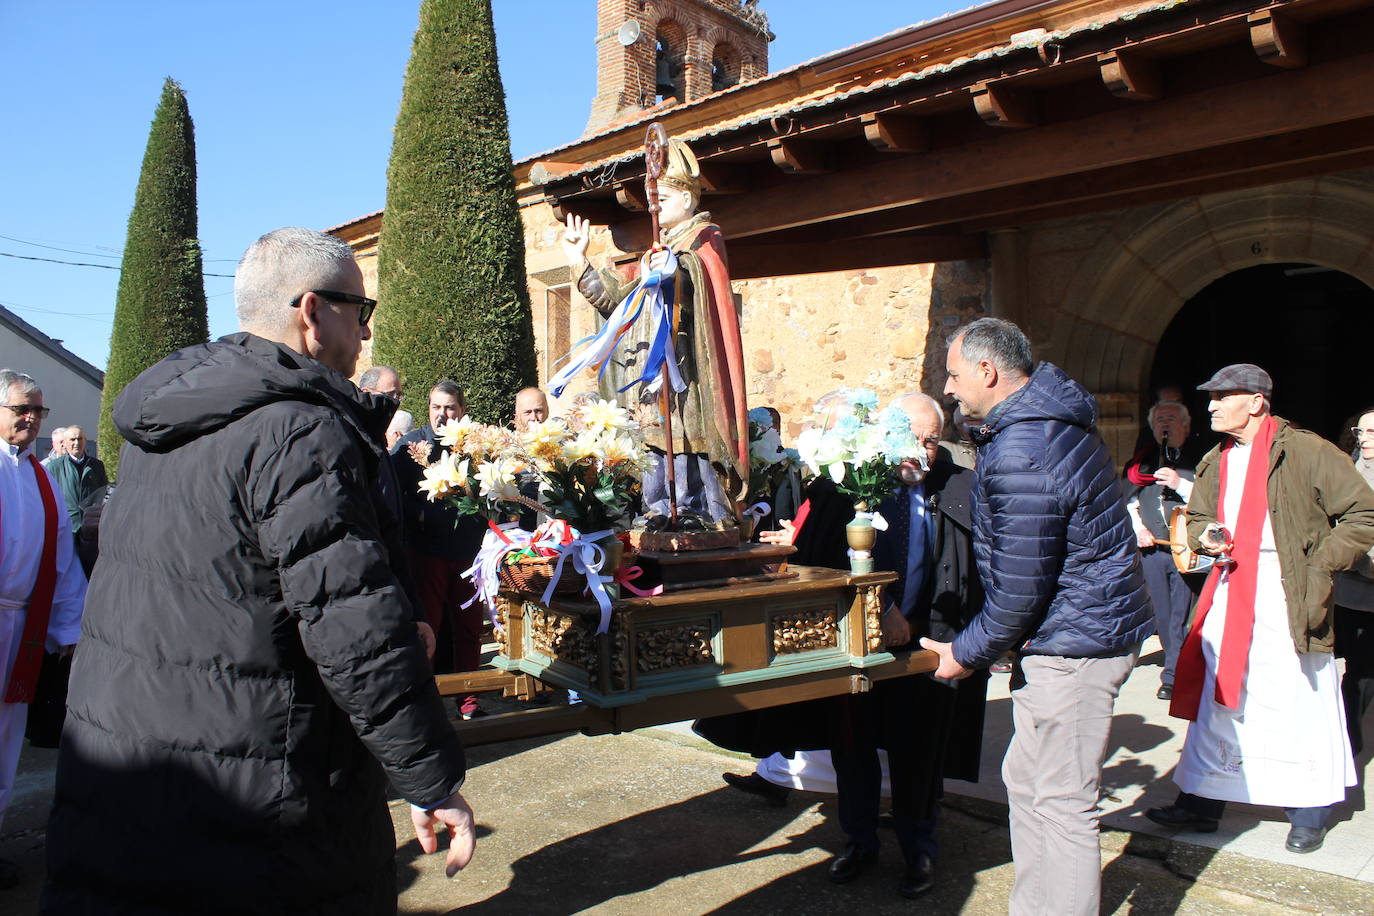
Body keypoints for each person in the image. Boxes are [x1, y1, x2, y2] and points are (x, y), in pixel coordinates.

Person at [43, 227, 473, 913]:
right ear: (312, 311)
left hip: (135, 771)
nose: (365, 335)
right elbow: (354, 631)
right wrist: (429, 777)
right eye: (361, 311)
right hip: (257, 781)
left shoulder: (177, 420)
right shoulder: (300, 430)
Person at [922, 317, 1153, 916]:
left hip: (1074, 646)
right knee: (1027, 785)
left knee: (1062, 803)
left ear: (987, 371)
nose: (948, 388)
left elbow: (1022, 587)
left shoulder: (1026, 446)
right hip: (1071, 635)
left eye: (953, 374)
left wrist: (963, 653)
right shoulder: (1042, 424)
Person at [1145, 364, 1374, 854]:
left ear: (1255, 401)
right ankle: (1203, 801)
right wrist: (1209, 536)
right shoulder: (1214, 459)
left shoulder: (1308, 451)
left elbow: (1363, 512)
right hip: (1232, 587)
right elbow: (1203, 515)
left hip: (1291, 590)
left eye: (1221, 397)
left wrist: (1321, 563)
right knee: (1222, 694)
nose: (1210, 406)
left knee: (1297, 696)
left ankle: (1309, 810)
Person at [826, 393, 986, 899]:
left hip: (928, 638)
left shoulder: (956, 486)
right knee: (854, 747)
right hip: (862, 636)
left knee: (919, 750)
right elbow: (829, 557)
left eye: (931, 439)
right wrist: (881, 605)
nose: (921, 448)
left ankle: (919, 847)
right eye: (911, 437)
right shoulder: (856, 485)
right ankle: (859, 840)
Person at [561, 137, 749, 528]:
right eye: (653, 197)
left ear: (688, 198)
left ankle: (697, 508)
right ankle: (660, 507)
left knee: (687, 436)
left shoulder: (703, 237)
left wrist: (673, 270)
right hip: (652, 369)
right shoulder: (658, 249)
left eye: (663, 195)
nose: (654, 205)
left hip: (688, 371)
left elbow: (697, 277)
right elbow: (618, 302)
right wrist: (580, 260)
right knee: (655, 436)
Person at [0, 371, 86, 891]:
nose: (30, 418)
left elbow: (60, 561)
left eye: (38, 411)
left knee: (8, 736)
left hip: (19, 624)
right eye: (21, 409)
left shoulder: (41, 479)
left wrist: (70, 627)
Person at [394, 381, 489, 717]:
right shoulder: (411, 445)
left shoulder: (475, 447)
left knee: (468, 629)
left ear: (461, 410)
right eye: (436, 407)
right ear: (428, 409)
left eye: (449, 407)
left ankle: (468, 697)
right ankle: (425, 699)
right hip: (427, 554)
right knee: (427, 628)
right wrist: (418, 514)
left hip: (468, 554)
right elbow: (391, 493)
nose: (442, 414)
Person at [1124, 400, 1198, 700]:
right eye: (1159, 421)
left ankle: (1173, 675)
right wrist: (1139, 529)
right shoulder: (1141, 464)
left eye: (1171, 418)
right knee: (1163, 615)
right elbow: (1129, 502)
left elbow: (1212, 501)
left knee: (1182, 613)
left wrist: (1180, 482)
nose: (1164, 425)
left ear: (1185, 425)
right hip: (1153, 552)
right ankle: (1175, 663)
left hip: (1186, 549)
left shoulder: (1202, 459)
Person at [1334, 408, 1374, 757]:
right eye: (1361, 431)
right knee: (1349, 665)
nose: (1365, 438)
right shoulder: (1346, 469)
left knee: (1363, 669)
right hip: (1344, 589)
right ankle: (1347, 733)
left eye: (1373, 432)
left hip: (1368, 586)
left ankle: (1351, 736)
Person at [42, 426, 108, 536]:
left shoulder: (96, 466)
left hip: (91, 527)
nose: (77, 443)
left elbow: (103, 493)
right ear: (64, 443)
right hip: (66, 528)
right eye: (72, 439)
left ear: (85, 441)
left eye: (80, 439)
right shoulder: (54, 467)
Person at [359, 364, 411, 449]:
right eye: (389, 395)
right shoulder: (351, 429)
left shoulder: (380, 428)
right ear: (366, 393)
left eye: (398, 395)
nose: (396, 402)